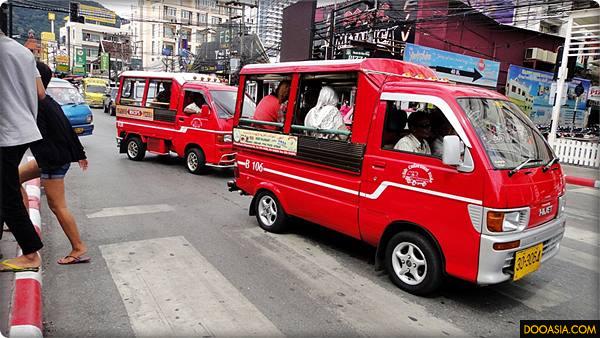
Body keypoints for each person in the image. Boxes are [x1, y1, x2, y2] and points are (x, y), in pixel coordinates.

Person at [18, 62, 90, 265]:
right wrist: (80, 154)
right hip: (53, 158)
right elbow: (67, 129)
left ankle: (78, 248)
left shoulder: (39, 104)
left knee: (58, 206)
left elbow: (38, 136)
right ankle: (22, 224)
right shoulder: (47, 101)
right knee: (13, 178)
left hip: (52, 161)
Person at [0, 28, 45, 272]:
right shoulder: (23, 52)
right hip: (23, 127)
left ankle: (30, 253)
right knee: (6, 190)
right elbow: (40, 93)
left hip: (6, 131)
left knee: (7, 195)